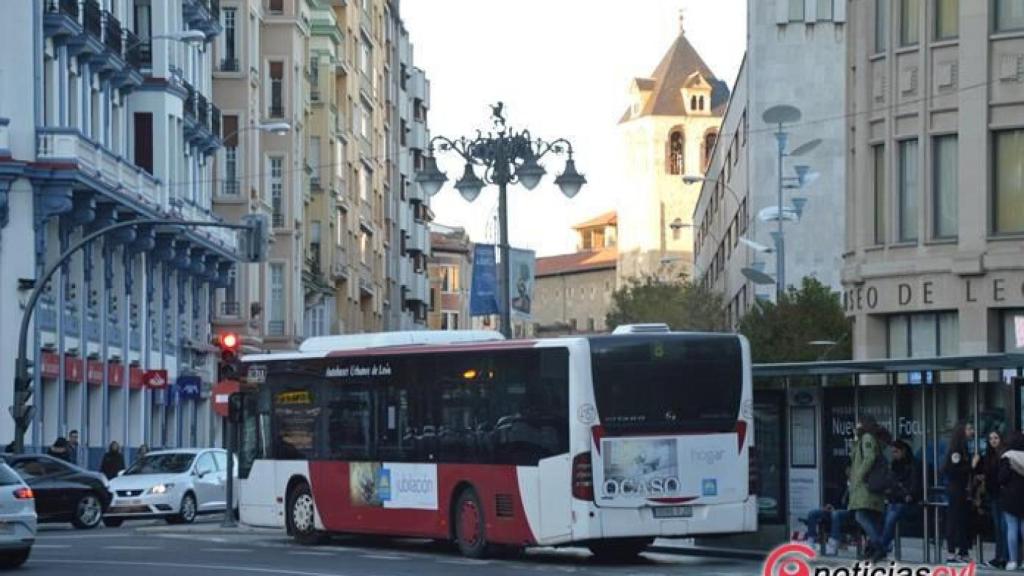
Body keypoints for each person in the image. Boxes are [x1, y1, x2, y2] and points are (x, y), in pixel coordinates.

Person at [849, 415, 888, 560]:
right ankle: (872, 548)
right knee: (870, 518)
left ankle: (879, 546)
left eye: (858, 423)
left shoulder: (867, 438)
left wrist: (858, 476)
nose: (856, 426)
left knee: (860, 516)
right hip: (870, 485)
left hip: (865, 485)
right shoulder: (864, 438)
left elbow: (869, 458)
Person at [876, 439, 920, 561]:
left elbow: (915, 486)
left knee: (891, 517)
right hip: (894, 500)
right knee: (884, 516)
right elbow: (890, 483)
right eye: (892, 452)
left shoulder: (913, 465)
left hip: (908, 502)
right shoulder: (894, 465)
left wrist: (908, 495)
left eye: (896, 452)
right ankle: (881, 546)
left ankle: (880, 547)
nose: (894, 455)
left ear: (903, 451)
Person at [944, 422, 978, 564]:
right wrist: (972, 466)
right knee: (954, 519)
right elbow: (954, 470)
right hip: (956, 489)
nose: (972, 431)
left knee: (963, 520)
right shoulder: (956, 450)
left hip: (963, 489)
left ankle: (963, 551)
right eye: (969, 429)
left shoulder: (964, 448)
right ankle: (951, 552)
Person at [981, 430, 1008, 569]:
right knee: (998, 528)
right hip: (993, 495)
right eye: (991, 438)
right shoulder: (988, 456)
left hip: (1003, 495)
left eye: (996, 438)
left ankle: (1004, 557)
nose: (993, 441)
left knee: (1004, 527)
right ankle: (1000, 557)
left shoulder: (1004, 455)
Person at [1001, 432, 1024, 571]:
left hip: (1010, 497)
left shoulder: (1007, 457)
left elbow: (1002, 478)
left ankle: (1013, 560)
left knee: (1012, 528)